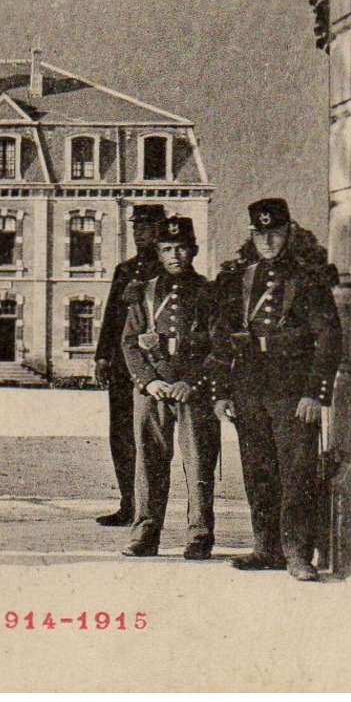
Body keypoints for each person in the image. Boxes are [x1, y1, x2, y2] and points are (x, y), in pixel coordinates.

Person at [213, 197, 342, 582]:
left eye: (275, 233)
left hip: (292, 388)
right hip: (249, 385)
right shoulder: (240, 280)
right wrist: (222, 392)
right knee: (258, 470)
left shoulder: (308, 279)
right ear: (252, 235)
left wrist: (316, 393)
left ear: (288, 233)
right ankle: (265, 547)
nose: (268, 241)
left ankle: (299, 554)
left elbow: (327, 338)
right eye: (260, 233)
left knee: (298, 472)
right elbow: (221, 338)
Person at [118, 216, 220, 560]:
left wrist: (191, 383)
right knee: (148, 462)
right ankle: (145, 534)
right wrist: (150, 381)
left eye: (180, 248)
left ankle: (200, 535)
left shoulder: (208, 292)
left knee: (199, 462)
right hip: (155, 388)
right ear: (158, 253)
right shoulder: (143, 292)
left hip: (192, 390)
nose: (174, 255)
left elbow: (219, 346)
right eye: (166, 249)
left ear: (192, 249)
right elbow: (130, 343)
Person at [94, 203, 166, 527]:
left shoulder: (166, 270)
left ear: (159, 229)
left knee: (150, 437)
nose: (140, 233)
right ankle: (128, 502)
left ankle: (148, 509)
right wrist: (101, 356)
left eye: (146, 227)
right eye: (136, 227)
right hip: (124, 366)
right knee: (121, 434)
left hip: (155, 366)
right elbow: (112, 315)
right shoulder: (125, 270)